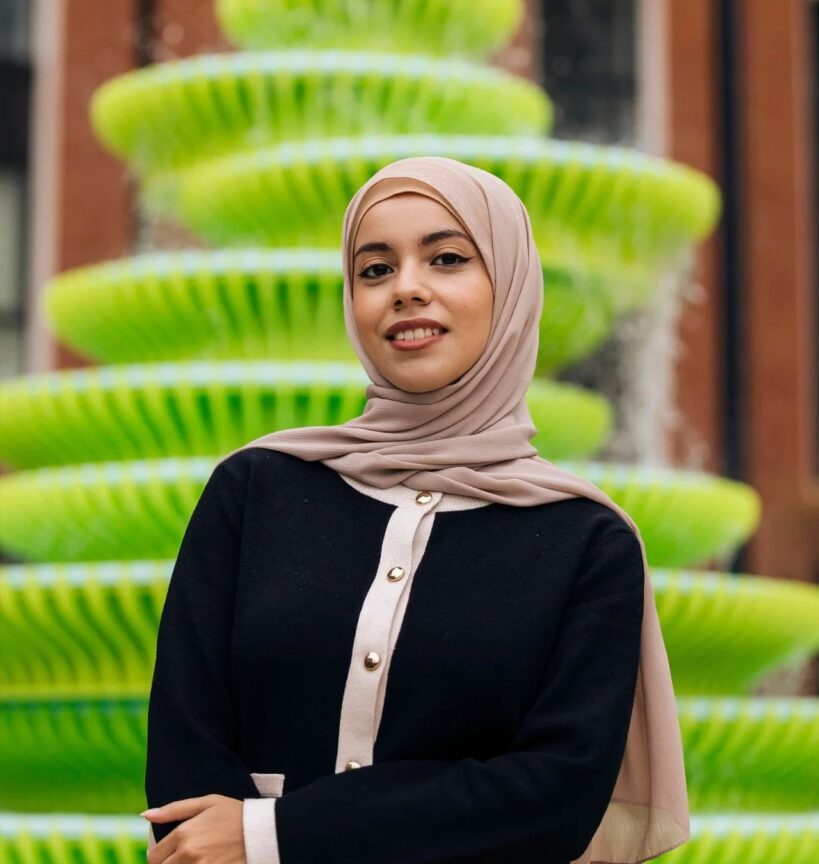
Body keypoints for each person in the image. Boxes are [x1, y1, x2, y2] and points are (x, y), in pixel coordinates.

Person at [142, 156, 690, 864]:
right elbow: (185, 750)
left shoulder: (585, 541)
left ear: (510, 286)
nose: (406, 288)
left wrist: (273, 834)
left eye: (447, 258)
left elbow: (554, 795)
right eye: (375, 269)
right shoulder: (254, 492)